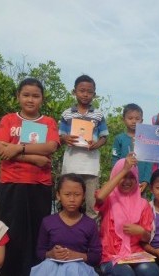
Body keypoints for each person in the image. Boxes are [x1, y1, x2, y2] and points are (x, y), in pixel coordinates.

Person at [0, 77, 60, 276]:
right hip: (11, 183)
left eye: (35, 96)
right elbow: (1, 149)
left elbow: (50, 146)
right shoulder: (8, 120)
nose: (30, 100)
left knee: (38, 232)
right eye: (26, 95)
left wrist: (19, 148)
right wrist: (34, 158)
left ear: (42, 99)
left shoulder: (48, 122)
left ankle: (36, 272)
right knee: (12, 232)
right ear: (18, 97)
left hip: (39, 184)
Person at [95, 155, 159, 276]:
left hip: (136, 254)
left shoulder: (143, 204)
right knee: (126, 273)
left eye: (132, 177)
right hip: (111, 256)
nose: (127, 181)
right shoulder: (109, 200)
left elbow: (146, 238)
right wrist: (124, 169)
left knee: (151, 271)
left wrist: (141, 231)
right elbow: (99, 197)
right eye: (123, 177)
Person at [31, 174, 102, 276]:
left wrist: (77, 256)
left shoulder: (89, 224)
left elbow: (96, 256)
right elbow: (40, 251)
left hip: (78, 269)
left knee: (72, 267)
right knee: (48, 266)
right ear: (58, 195)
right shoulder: (48, 222)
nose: (72, 199)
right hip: (51, 267)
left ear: (83, 196)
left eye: (77, 194)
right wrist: (51, 254)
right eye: (67, 194)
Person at [59, 74, 109, 220]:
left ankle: (91, 240)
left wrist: (96, 145)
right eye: (82, 90)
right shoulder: (67, 114)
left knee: (91, 206)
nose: (85, 94)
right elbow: (60, 136)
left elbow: (104, 137)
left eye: (89, 91)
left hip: (91, 167)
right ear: (74, 92)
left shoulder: (98, 115)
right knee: (68, 204)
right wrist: (65, 138)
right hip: (71, 165)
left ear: (94, 94)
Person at [112, 103, 152, 193]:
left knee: (139, 205)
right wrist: (116, 178)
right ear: (124, 120)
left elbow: (149, 162)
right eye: (130, 118)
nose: (134, 121)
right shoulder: (119, 139)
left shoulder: (146, 139)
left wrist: (146, 180)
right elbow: (115, 160)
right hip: (122, 180)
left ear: (142, 120)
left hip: (140, 182)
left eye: (137, 119)